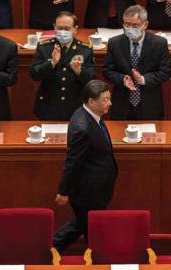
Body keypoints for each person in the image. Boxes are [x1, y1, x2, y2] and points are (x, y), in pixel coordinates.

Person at [53, 79, 117, 252]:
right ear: (91, 101)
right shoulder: (82, 126)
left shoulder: (92, 115)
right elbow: (72, 161)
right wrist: (63, 191)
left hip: (95, 187)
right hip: (88, 190)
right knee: (85, 225)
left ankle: (97, 254)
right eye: (105, 99)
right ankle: (47, 249)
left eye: (109, 98)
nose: (109, 103)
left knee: (87, 225)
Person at [103, 5, 171, 120]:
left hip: (150, 103)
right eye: (126, 25)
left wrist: (144, 79)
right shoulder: (114, 43)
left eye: (135, 25)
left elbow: (166, 72)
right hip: (122, 103)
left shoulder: (159, 43)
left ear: (145, 25)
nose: (129, 29)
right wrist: (122, 79)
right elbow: (107, 71)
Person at [30, 12, 96, 121]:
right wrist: (51, 63)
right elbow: (34, 74)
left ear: (75, 29)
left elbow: (91, 81)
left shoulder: (85, 49)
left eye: (67, 29)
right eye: (59, 28)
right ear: (54, 27)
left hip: (75, 106)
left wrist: (79, 71)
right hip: (49, 105)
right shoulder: (44, 47)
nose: (63, 32)